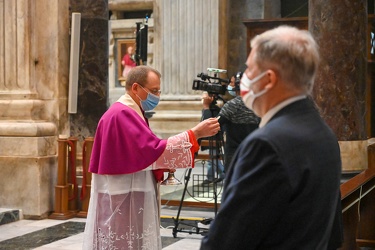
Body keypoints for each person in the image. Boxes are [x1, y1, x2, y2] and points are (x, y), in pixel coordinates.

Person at [200, 25, 343, 250]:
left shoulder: (266, 144)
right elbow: (333, 235)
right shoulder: (323, 133)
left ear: (268, 79)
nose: (243, 79)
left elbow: (225, 242)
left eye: (249, 69)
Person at [82, 65, 220, 250]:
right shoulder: (122, 114)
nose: (158, 95)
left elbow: (145, 150)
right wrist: (194, 134)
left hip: (127, 189)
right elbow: (151, 150)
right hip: (122, 193)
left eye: (159, 90)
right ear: (136, 88)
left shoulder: (130, 110)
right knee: (123, 241)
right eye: (154, 91)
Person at [200, 73, 260, 184]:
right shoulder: (258, 103)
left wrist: (207, 108)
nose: (229, 86)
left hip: (235, 157)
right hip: (255, 155)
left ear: (239, 85)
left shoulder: (233, 105)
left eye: (232, 83)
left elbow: (210, 127)